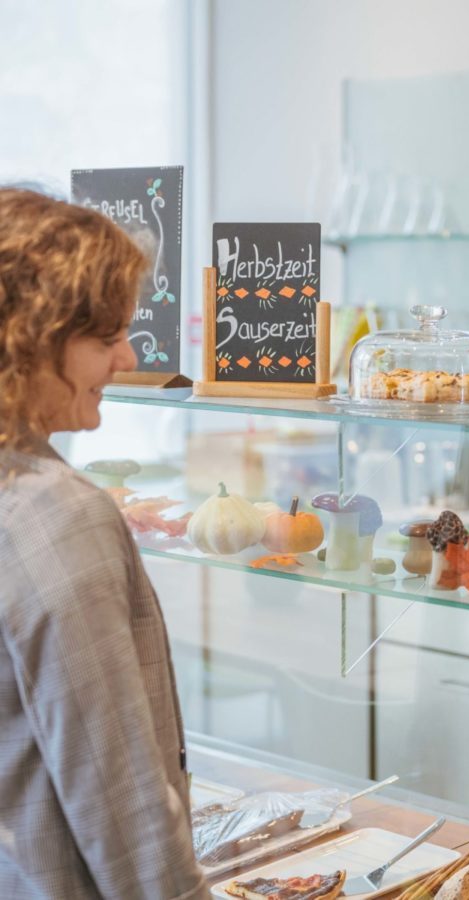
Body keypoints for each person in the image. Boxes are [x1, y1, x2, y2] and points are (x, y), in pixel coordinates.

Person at [0, 187, 209, 898]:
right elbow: (125, 813)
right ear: (30, 338)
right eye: (106, 336)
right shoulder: (58, 516)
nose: (127, 358)